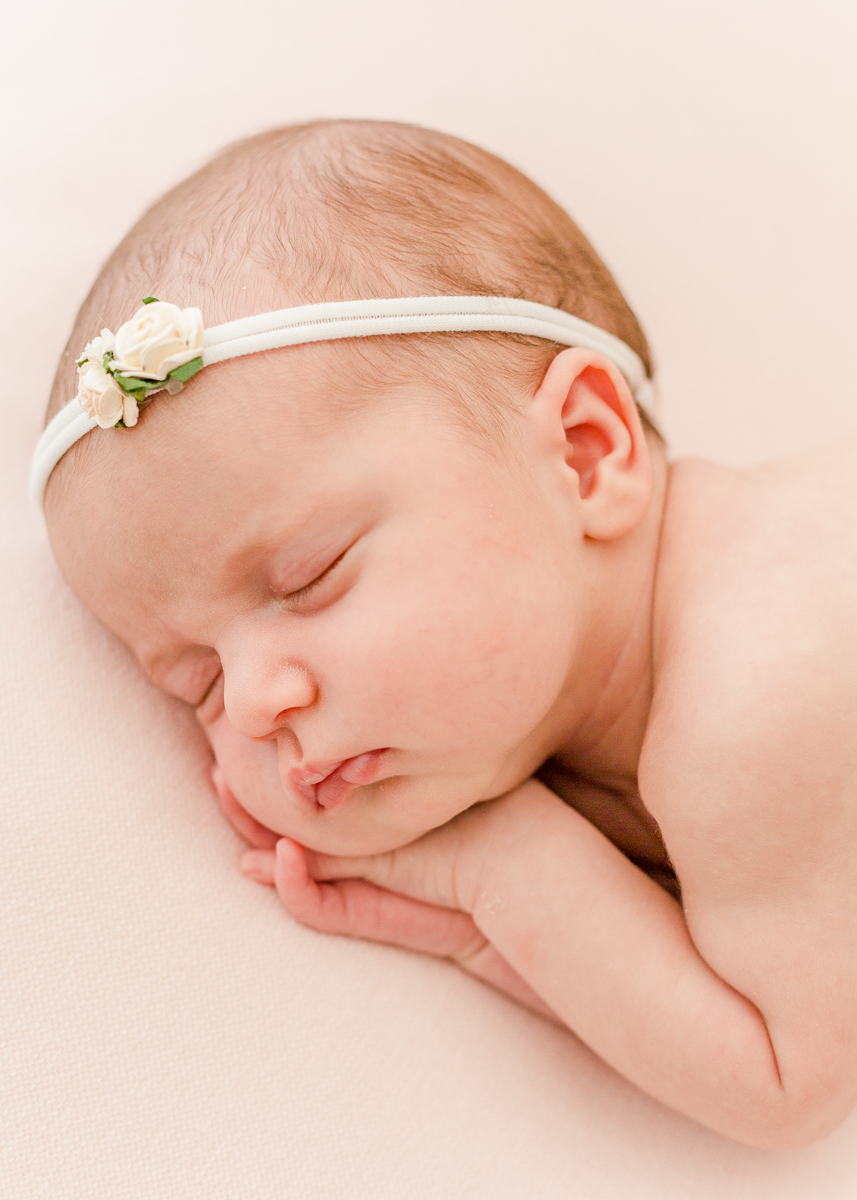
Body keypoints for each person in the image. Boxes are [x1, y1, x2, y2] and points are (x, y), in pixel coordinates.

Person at [33, 119, 857, 1148]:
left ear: (583, 454)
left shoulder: (757, 686)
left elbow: (786, 1083)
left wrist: (495, 869)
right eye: (193, 681)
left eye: (309, 576)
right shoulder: (592, 695)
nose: (250, 704)